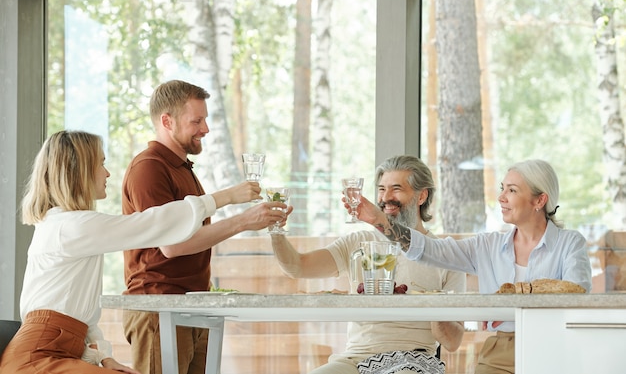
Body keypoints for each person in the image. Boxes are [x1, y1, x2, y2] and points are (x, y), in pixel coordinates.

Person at [0, 130, 285, 374]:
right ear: (80, 171)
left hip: (57, 352)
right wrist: (225, 197)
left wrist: (104, 357)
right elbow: (151, 224)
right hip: (36, 359)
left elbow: (79, 313)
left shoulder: (70, 226)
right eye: (101, 164)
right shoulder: (70, 227)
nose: (108, 172)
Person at [347, 159, 592, 374]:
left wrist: (503, 301)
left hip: (554, 346)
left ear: (540, 200)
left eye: (512, 190)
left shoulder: (570, 243)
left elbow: (576, 294)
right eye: (502, 188)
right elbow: (430, 249)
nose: (501, 197)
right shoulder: (488, 246)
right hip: (501, 349)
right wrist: (379, 221)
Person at [122, 79, 286, 374]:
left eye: (205, 119)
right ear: (166, 121)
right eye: (196, 120)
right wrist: (244, 221)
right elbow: (173, 246)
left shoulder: (183, 169)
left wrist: (250, 219)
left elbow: (191, 237)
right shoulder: (149, 168)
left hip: (191, 305)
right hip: (159, 307)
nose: (206, 129)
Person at [271, 155, 466, 374]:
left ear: (422, 196)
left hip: (413, 360)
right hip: (355, 358)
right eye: (381, 189)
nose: (385, 197)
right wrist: (275, 230)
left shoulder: (443, 255)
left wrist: (435, 309)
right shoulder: (357, 242)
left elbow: (452, 342)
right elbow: (297, 267)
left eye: (396, 189)